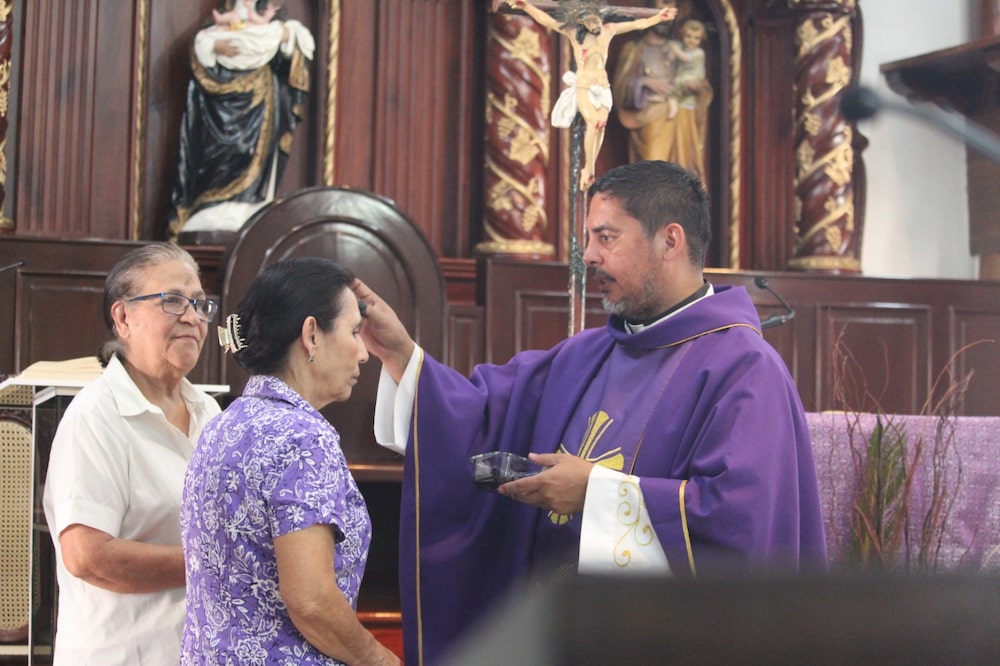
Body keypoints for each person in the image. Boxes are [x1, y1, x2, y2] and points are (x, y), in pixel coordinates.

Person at [353, 160, 827, 664]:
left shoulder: (745, 369)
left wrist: (596, 493)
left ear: (670, 241)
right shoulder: (586, 354)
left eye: (606, 238)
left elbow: (740, 527)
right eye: (588, 239)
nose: (589, 257)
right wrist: (401, 354)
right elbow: (481, 416)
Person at [180, 258, 400, 666]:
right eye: (354, 332)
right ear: (312, 335)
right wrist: (381, 659)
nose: (363, 353)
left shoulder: (223, 424)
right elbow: (312, 601)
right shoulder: (303, 438)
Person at [42, 243, 222, 665]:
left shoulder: (210, 412)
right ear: (123, 318)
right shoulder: (96, 416)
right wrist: (215, 563)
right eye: (172, 300)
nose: (192, 317)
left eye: (199, 304)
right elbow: (88, 557)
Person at [167, 1, 315, 241]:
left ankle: (248, 208)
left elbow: (295, 51)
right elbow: (201, 49)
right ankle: (211, 207)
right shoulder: (221, 22)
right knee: (222, 155)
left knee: (251, 150)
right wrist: (214, 45)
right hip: (220, 106)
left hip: (261, 102)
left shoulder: (273, 24)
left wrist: (285, 37)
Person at [501, 0, 677, 190]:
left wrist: (659, 17)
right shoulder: (574, 34)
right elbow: (545, 20)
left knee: (601, 125)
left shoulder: (608, 31)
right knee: (594, 122)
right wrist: (525, 6)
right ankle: (589, 169)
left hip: (603, 86)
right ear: (581, 20)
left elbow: (638, 24)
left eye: (598, 18)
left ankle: (590, 166)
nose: (597, 23)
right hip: (585, 86)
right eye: (592, 20)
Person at [614, 3, 712, 178]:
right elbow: (621, 85)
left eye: (670, 16)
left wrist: (697, 87)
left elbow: (699, 81)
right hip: (651, 117)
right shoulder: (635, 49)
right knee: (653, 170)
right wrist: (645, 82)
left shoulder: (680, 48)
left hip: (681, 116)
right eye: (662, 13)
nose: (665, 21)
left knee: (682, 173)